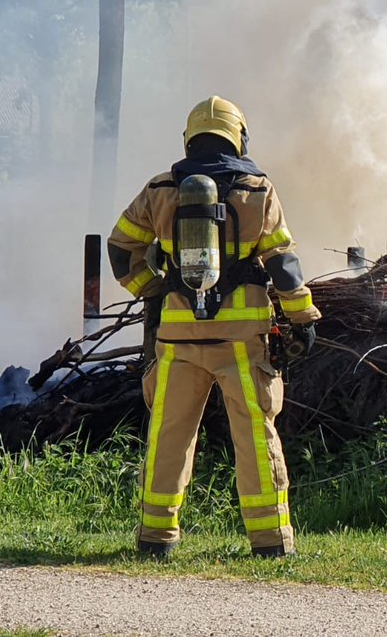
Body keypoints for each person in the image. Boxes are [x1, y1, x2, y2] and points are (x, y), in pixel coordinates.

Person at [107, 95, 321, 558]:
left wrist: (154, 290)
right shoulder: (256, 189)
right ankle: (269, 543)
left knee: (169, 434)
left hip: (179, 338)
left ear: (189, 140)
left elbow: (121, 248)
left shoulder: (160, 189)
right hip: (241, 342)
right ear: (239, 137)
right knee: (254, 435)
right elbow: (283, 264)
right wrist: (302, 317)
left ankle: (155, 538)